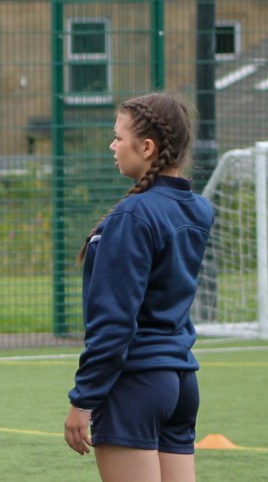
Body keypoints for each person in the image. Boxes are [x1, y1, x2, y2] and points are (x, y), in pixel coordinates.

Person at [63, 93, 211, 482]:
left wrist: (83, 400)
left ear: (146, 148)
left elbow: (115, 322)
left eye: (118, 137)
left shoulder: (134, 215)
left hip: (136, 383)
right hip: (181, 382)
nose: (112, 146)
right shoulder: (196, 208)